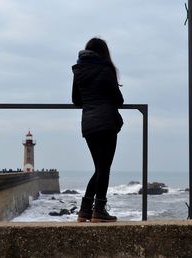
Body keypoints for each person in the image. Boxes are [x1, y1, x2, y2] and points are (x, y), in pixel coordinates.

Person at [72, 37, 124, 223]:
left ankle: (85, 211)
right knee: (104, 169)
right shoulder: (105, 68)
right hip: (107, 123)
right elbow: (118, 100)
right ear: (104, 52)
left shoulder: (79, 70)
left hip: (88, 125)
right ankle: (99, 210)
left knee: (100, 168)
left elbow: (76, 100)